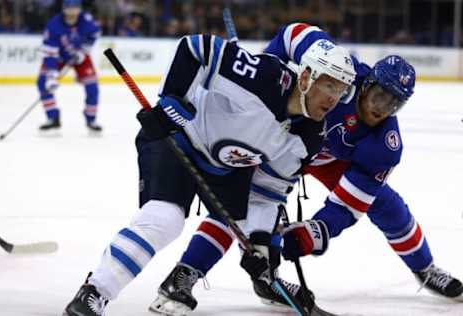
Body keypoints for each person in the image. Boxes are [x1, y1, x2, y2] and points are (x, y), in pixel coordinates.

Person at [151, 22, 463, 315]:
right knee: (241, 201)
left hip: (327, 159)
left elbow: (348, 205)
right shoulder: (342, 69)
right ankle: (186, 273)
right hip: (284, 139)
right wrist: (268, 71)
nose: (381, 109)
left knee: (387, 205)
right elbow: (292, 33)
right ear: (367, 83)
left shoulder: (384, 145)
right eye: (380, 96)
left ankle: (425, 268)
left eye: (394, 105)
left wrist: (314, 232)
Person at [62, 30, 356, 316]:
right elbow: (195, 48)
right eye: (329, 85)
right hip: (179, 137)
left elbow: (268, 192)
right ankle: (94, 293)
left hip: (228, 167)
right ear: (305, 77)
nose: (333, 98)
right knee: (166, 219)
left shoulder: (311, 136)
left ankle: (205, 278)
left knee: (238, 223)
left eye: (341, 90)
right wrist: (171, 101)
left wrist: (261, 249)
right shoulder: (264, 78)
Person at [37, 0, 102, 133]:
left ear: (80, 9)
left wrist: (83, 51)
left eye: (75, 9)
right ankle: (53, 117)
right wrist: (52, 75)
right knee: (43, 82)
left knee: (92, 86)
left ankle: (91, 119)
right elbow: (50, 52)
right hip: (58, 57)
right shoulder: (53, 25)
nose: (72, 12)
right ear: (63, 10)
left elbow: (95, 34)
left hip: (80, 57)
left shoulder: (87, 21)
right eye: (69, 9)